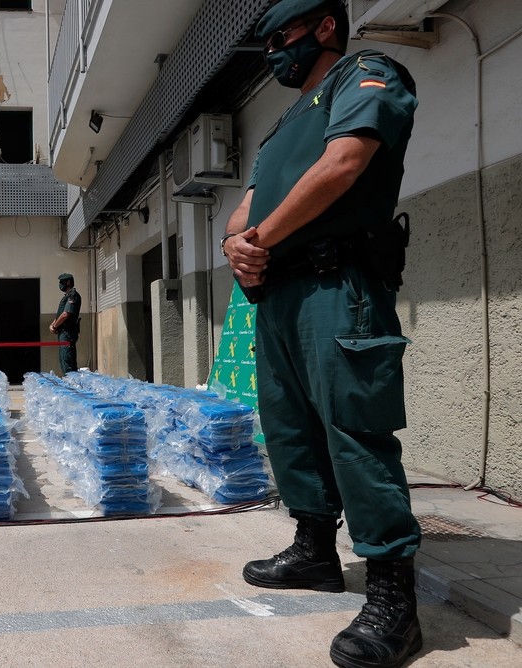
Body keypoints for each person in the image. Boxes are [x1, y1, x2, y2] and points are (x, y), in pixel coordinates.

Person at [221, 2, 421, 667]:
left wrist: (258, 241)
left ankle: (394, 596)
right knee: (289, 428)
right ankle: (314, 550)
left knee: (353, 431)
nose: (274, 51)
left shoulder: (365, 74)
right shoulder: (283, 124)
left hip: (339, 286)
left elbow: (343, 165)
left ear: (324, 25)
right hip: (278, 295)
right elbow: (249, 201)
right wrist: (235, 243)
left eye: (282, 36)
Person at [49, 273, 81, 375]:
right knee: (63, 359)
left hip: (68, 333)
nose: (60, 285)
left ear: (68, 282)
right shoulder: (66, 296)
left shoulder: (73, 295)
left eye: (61, 282)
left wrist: (55, 326)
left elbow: (66, 314)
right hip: (63, 333)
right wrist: (52, 324)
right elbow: (60, 314)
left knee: (68, 361)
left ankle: (71, 386)